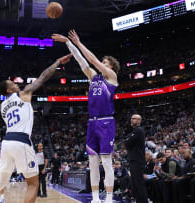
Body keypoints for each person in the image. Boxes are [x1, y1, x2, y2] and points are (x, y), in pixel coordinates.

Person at [0, 53, 72, 203]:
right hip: (21, 141)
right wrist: (58, 61)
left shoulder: (3, 106)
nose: (16, 84)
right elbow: (43, 77)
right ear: (9, 90)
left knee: (1, 181)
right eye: (12, 84)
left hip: (7, 142)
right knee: (33, 183)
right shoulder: (23, 94)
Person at [52, 30, 120, 203]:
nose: (102, 64)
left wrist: (79, 42)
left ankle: (109, 197)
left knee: (106, 160)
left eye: (105, 63)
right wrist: (68, 43)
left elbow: (92, 60)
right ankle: (96, 198)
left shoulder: (112, 77)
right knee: (92, 162)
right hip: (92, 122)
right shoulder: (93, 77)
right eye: (103, 62)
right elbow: (81, 60)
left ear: (110, 67)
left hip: (106, 122)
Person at [123, 114, 148, 203]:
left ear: (139, 121)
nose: (131, 120)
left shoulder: (139, 130)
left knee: (139, 183)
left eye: (134, 119)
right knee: (135, 184)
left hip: (138, 160)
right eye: (131, 118)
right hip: (134, 160)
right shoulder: (134, 131)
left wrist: (127, 141)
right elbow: (126, 142)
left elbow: (127, 142)